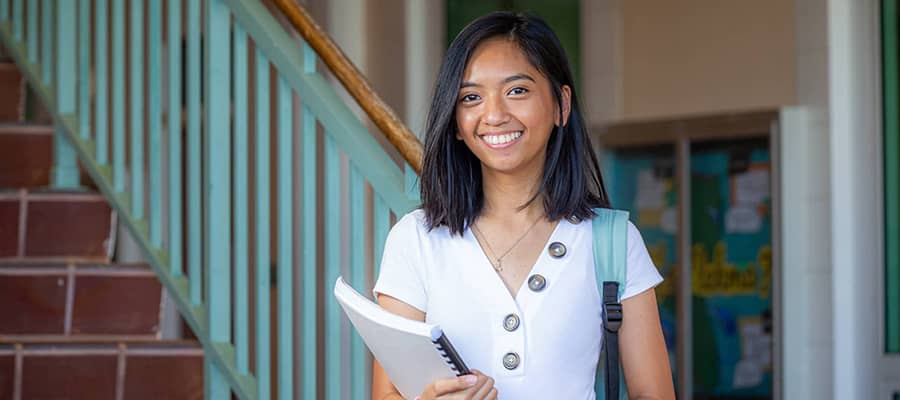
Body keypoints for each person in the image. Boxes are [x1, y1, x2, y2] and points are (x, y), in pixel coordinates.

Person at [371, 11, 674, 400]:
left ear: (561, 105)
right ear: (456, 121)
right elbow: (387, 395)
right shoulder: (415, 239)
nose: (494, 115)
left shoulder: (613, 241)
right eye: (471, 97)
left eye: (517, 91)